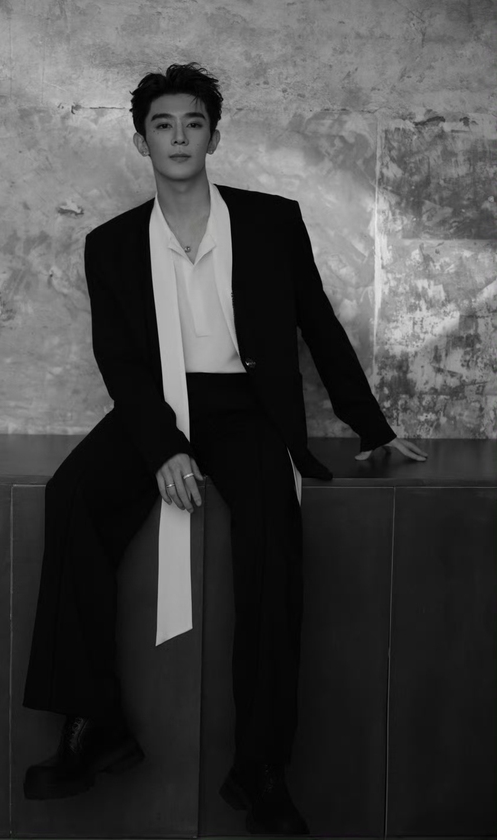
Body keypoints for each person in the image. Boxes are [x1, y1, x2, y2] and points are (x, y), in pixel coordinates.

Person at [22, 63, 427, 834]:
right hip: (155, 405)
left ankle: (261, 767)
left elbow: (317, 325)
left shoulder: (271, 222)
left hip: (245, 406)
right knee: (69, 496)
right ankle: (92, 722)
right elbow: (121, 362)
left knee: (273, 532)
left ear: (214, 136)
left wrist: (371, 424)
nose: (178, 137)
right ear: (140, 141)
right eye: (163, 125)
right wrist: (164, 446)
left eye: (193, 123)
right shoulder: (110, 245)